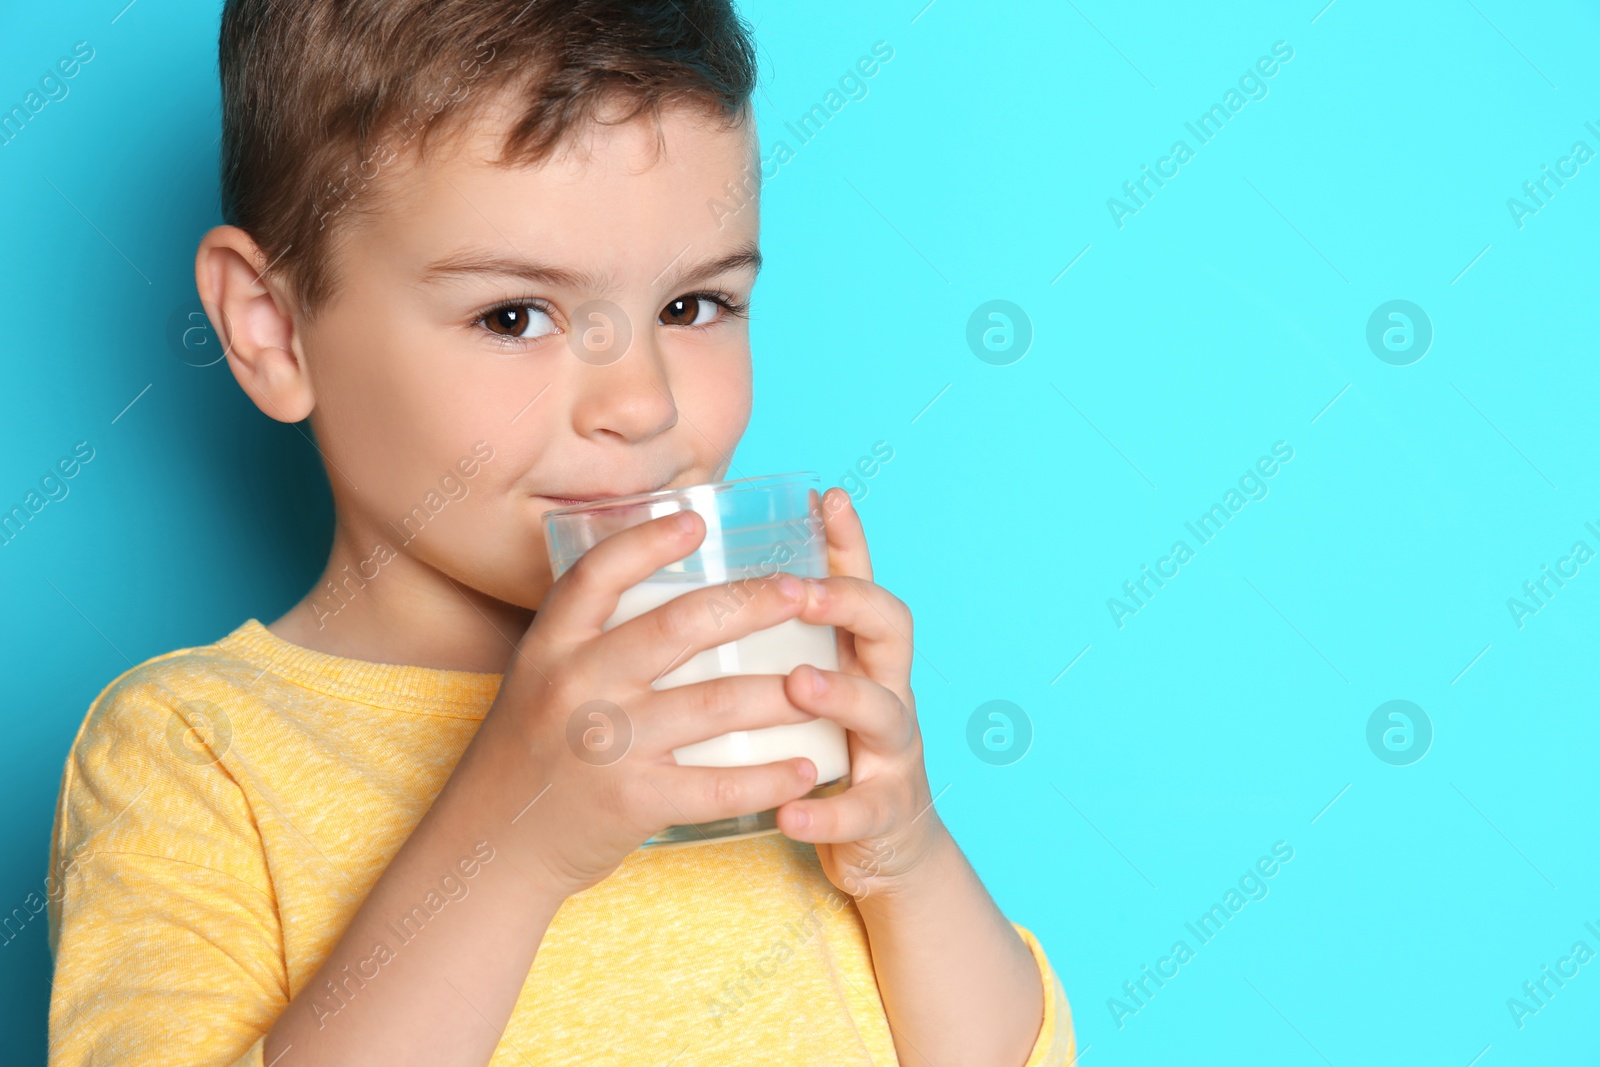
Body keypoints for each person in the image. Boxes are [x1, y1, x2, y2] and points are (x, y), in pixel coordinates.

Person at [45, 1, 1076, 1063]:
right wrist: (512, 842)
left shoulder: (757, 711)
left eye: (692, 306)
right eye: (514, 316)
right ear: (273, 329)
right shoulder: (194, 750)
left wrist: (900, 853)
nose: (641, 402)